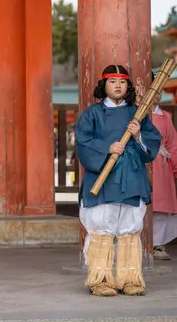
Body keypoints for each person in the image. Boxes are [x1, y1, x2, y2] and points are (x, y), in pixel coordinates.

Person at [75, 65, 161, 297]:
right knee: (103, 227)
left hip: (132, 176)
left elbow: (151, 146)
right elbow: (83, 142)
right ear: (104, 85)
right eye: (112, 81)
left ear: (128, 86)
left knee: (129, 229)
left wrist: (138, 135)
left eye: (122, 82)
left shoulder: (138, 114)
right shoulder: (92, 114)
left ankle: (129, 279)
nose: (117, 86)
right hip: (104, 177)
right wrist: (107, 147)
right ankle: (100, 280)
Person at [150, 72, 177, 260]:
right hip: (142, 162)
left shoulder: (165, 116)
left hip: (161, 163)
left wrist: (174, 167)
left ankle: (158, 244)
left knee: (160, 206)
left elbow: (173, 144)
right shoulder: (134, 112)